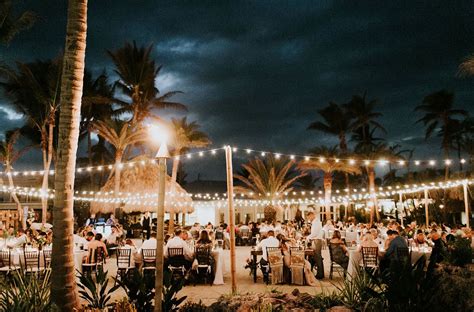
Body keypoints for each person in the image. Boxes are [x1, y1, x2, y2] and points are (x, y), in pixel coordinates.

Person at [306, 211, 324, 279]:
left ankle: (320, 275)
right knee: (316, 257)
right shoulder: (315, 222)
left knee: (318, 257)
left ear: (312, 215)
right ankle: (319, 273)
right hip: (316, 240)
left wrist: (308, 237)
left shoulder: (316, 222)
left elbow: (315, 233)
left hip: (317, 240)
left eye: (309, 217)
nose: (309, 219)